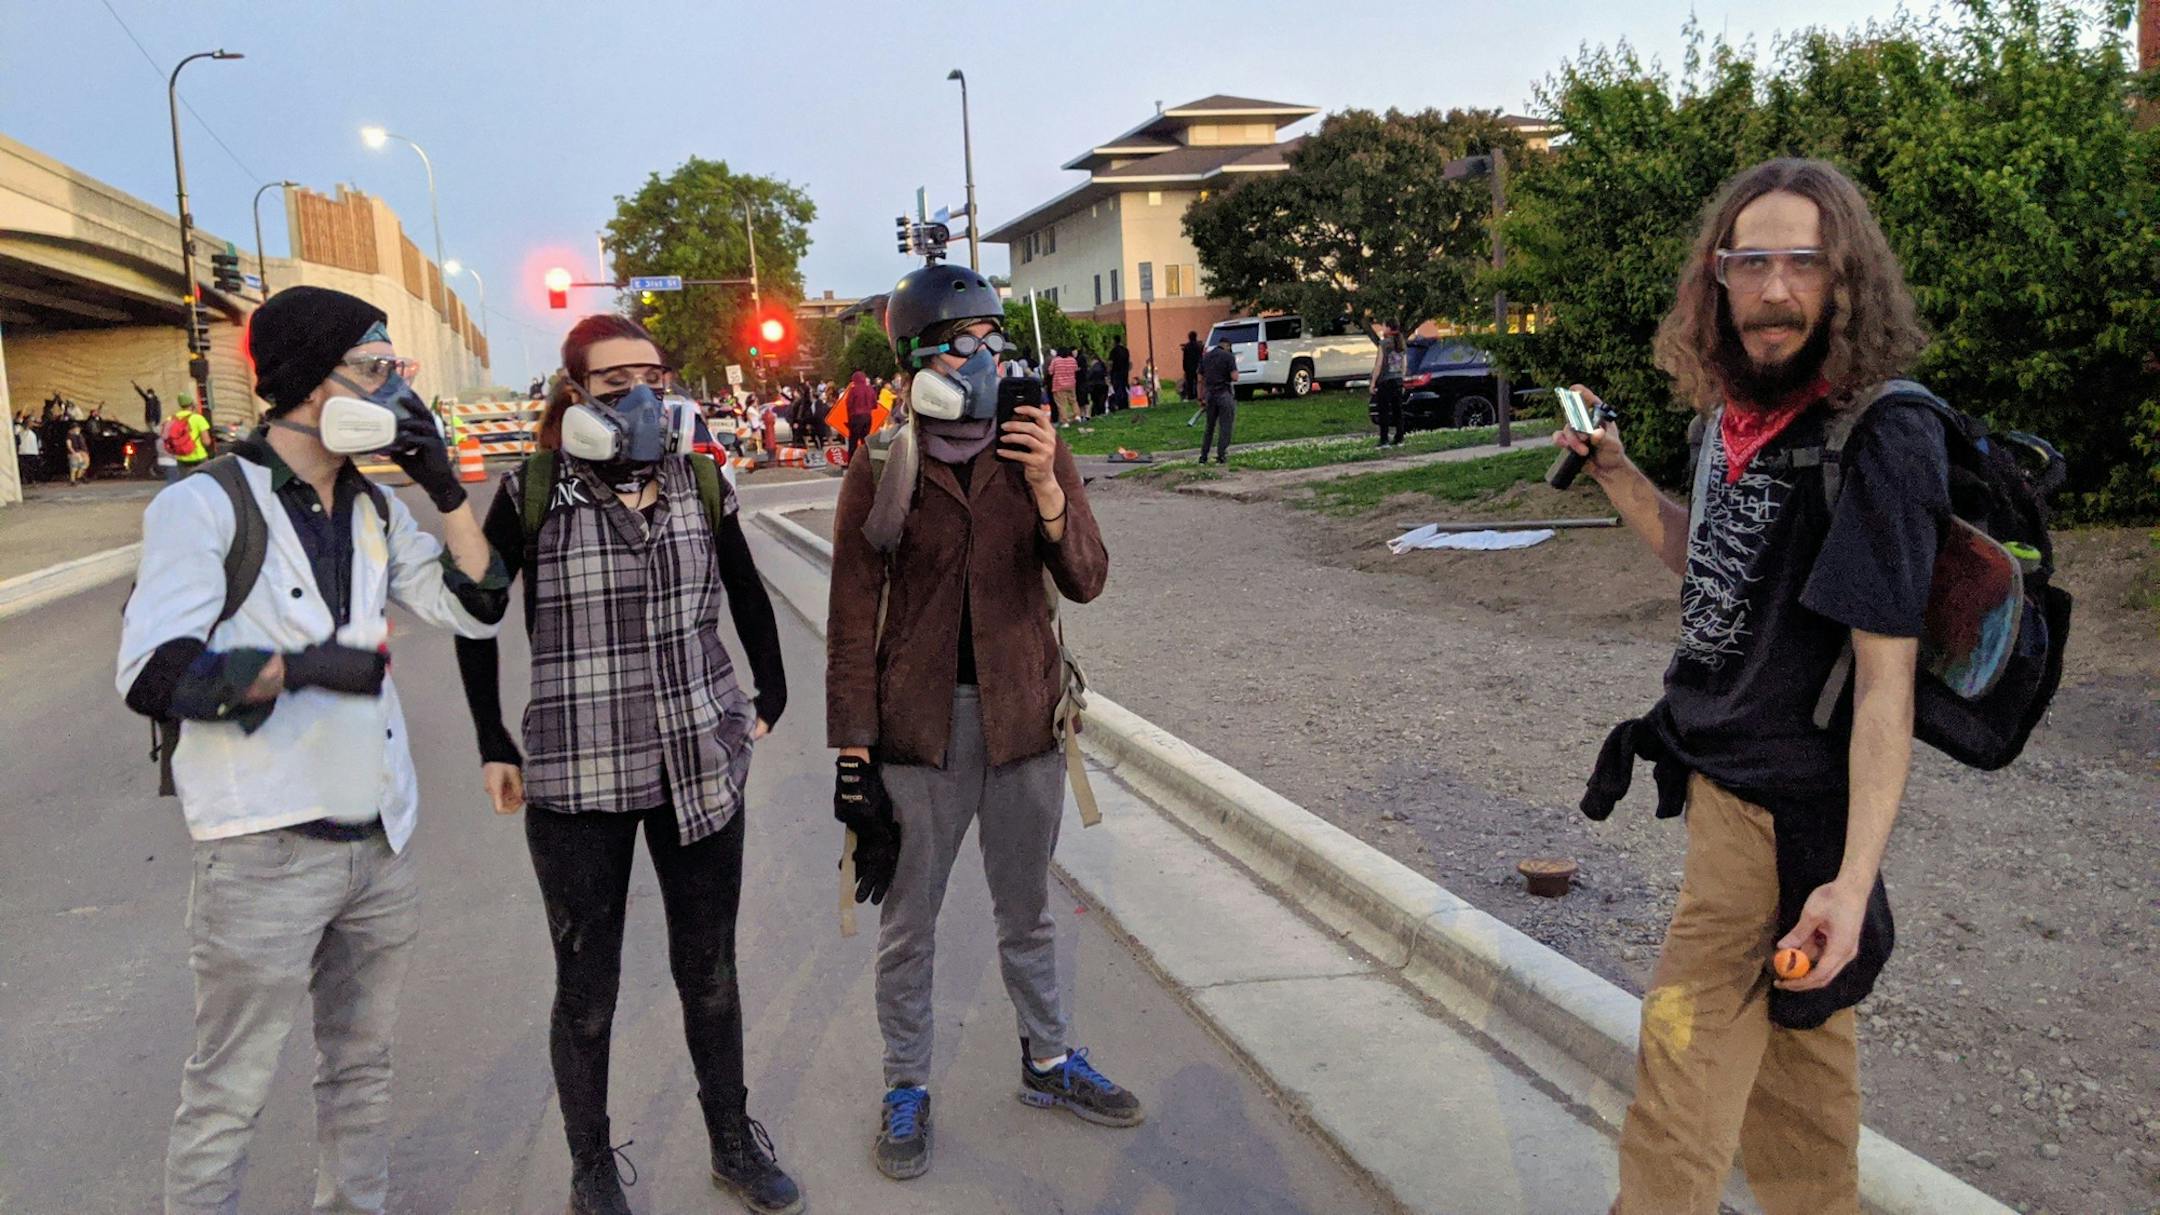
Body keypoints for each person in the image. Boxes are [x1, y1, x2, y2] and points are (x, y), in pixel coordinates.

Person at [1554, 159, 1940, 1215]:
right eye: (1750, 262)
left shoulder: (1879, 436)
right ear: (1717, 281)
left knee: (1678, 1095)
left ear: (1844, 279)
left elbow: (1885, 683)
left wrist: (1851, 887)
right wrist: (1620, 474)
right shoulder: (1726, 425)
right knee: (1801, 1103)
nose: (1774, 290)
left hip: (1790, 820)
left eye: (1802, 263)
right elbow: (1712, 563)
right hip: (1725, 793)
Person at [116, 285, 504, 1215]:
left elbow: (478, 608)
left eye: (392, 370)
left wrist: (447, 489)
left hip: (377, 839)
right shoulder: (206, 505)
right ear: (306, 384)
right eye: (373, 370)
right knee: (227, 1093)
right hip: (263, 847)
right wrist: (303, 668)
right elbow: (154, 673)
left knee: (361, 1072)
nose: (390, 391)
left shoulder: (374, 509)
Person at [452, 313, 800, 1215]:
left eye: (651, 372)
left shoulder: (699, 477)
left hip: (698, 759)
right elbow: (477, 613)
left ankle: (731, 1140)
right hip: (577, 777)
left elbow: (743, 584)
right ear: (574, 393)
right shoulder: (532, 489)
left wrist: (771, 688)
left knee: (710, 971)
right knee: (588, 988)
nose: (640, 393)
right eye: (614, 381)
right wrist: (494, 739)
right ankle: (590, 1167)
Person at [827, 263, 1139, 1184]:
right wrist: (853, 752)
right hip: (919, 734)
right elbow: (851, 617)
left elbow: (1086, 576)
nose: (983, 357)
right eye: (960, 343)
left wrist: (1047, 485)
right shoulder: (884, 465)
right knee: (910, 926)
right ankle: (907, 1086)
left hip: (1025, 723)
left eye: (993, 339)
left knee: (1028, 912)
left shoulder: (1035, 448)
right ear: (917, 361)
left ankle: (1047, 1058)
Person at [1197, 334, 1239, 464]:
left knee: (1209, 427)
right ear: (1227, 346)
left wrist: (1201, 397)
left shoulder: (1206, 357)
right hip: (1224, 393)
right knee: (1225, 425)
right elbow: (1235, 377)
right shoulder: (1229, 356)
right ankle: (1221, 454)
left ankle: (1204, 455)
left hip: (1210, 395)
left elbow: (1200, 378)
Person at [1371, 328, 1408, 448]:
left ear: (1388, 328)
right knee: (1398, 411)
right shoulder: (1401, 343)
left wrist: (1373, 382)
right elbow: (1404, 364)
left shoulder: (1384, 344)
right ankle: (1400, 438)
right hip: (1397, 380)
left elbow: (1379, 364)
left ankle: (1384, 439)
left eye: (1384, 325)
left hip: (1385, 381)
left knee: (1384, 411)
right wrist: (1401, 379)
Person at [843, 368, 878, 458]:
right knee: (865, 440)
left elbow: (848, 404)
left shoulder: (853, 390)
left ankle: (852, 461)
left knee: (853, 441)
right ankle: (866, 460)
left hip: (856, 417)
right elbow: (875, 404)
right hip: (867, 417)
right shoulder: (870, 389)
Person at [1046, 347, 1079, 426]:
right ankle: (1077, 416)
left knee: (1061, 404)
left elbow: (1050, 372)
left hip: (1059, 385)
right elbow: (1075, 369)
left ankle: (1065, 421)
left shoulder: (1056, 360)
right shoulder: (1073, 360)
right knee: (1073, 401)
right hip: (1071, 384)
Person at [1081, 354, 1109, 425]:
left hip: (1095, 386)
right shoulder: (1103, 366)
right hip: (1103, 386)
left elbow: (1088, 377)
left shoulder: (1093, 368)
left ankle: (1095, 415)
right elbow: (1106, 376)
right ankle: (1101, 414)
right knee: (1101, 401)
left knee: (1095, 401)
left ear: (1094, 360)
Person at [1107, 341, 1131, 412]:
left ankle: (1118, 405)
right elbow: (1129, 363)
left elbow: (1110, 363)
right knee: (1123, 388)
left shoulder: (1114, 351)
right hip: (1124, 373)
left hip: (1116, 373)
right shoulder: (1126, 350)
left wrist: (1109, 372)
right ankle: (1125, 404)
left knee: (1117, 389)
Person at [1179, 331, 1203, 402]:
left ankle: (1190, 396)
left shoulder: (1187, 347)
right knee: (1198, 381)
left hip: (1189, 368)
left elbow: (1184, 358)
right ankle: (1197, 395)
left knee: (1189, 382)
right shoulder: (1198, 346)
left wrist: (1184, 367)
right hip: (1197, 367)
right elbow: (1200, 357)